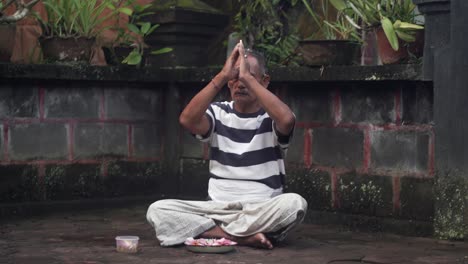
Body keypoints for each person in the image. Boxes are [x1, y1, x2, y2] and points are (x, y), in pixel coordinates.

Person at [146, 41, 307, 249]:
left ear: (264, 81)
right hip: (217, 209)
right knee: (157, 210)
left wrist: (246, 77)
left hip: (260, 208)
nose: (240, 83)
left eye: (248, 77)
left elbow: (287, 120)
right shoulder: (218, 111)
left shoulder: (272, 115)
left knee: (294, 204)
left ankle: (214, 232)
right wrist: (222, 75)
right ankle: (240, 236)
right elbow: (187, 120)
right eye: (235, 78)